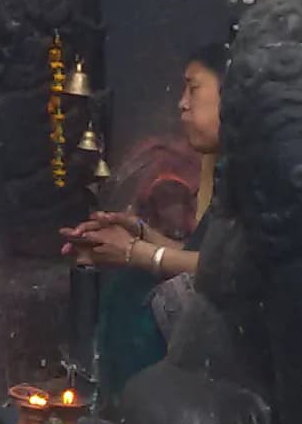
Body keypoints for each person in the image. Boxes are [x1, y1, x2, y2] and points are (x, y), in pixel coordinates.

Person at [61, 46, 223, 394]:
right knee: (129, 285)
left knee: (153, 298)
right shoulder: (216, 165)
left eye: (193, 89)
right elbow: (200, 255)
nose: (182, 103)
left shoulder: (257, 170)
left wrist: (137, 251)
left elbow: (226, 268)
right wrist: (136, 232)